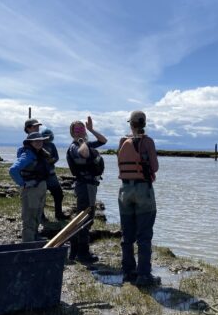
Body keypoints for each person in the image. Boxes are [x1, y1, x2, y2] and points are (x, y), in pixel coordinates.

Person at [117, 110, 159, 286]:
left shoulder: (122, 141)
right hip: (143, 191)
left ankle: (128, 272)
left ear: (131, 124)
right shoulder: (147, 142)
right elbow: (155, 167)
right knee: (144, 235)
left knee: (127, 235)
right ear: (144, 124)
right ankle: (144, 275)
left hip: (125, 190)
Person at [66, 116, 107, 263]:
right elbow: (83, 153)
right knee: (85, 218)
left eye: (81, 128)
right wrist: (82, 139)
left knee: (85, 218)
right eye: (76, 129)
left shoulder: (85, 143)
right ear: (72, 133)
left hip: (90, 185)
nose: (80, 131)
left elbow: (103, 141)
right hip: (84, 186)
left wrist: (91, 130)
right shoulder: (75, 146)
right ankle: (82, 253)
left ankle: (76, 251)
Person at [9, 132, 50, 242]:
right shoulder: (27, 155)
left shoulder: (39, 154)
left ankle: (35, 237)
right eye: (36, 141)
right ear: (30, 142)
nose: (39, 143)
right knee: (29, 217)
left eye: (40, 140)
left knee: (37, 214)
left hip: (39, 188)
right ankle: (28, 243)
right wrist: (23, 184)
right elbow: (13, 170)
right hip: (30, 190)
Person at [40, 128, 68, 221]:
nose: (47, 139)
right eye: (45, 137)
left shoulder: (52, 145)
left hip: (52, 175)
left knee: (59, 194)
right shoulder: (38, 144)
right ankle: (41, 216)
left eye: (48, 137)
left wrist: (52, 160)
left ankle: (58, 214)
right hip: (41, 177)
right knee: (41, 196)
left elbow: (56, 157)